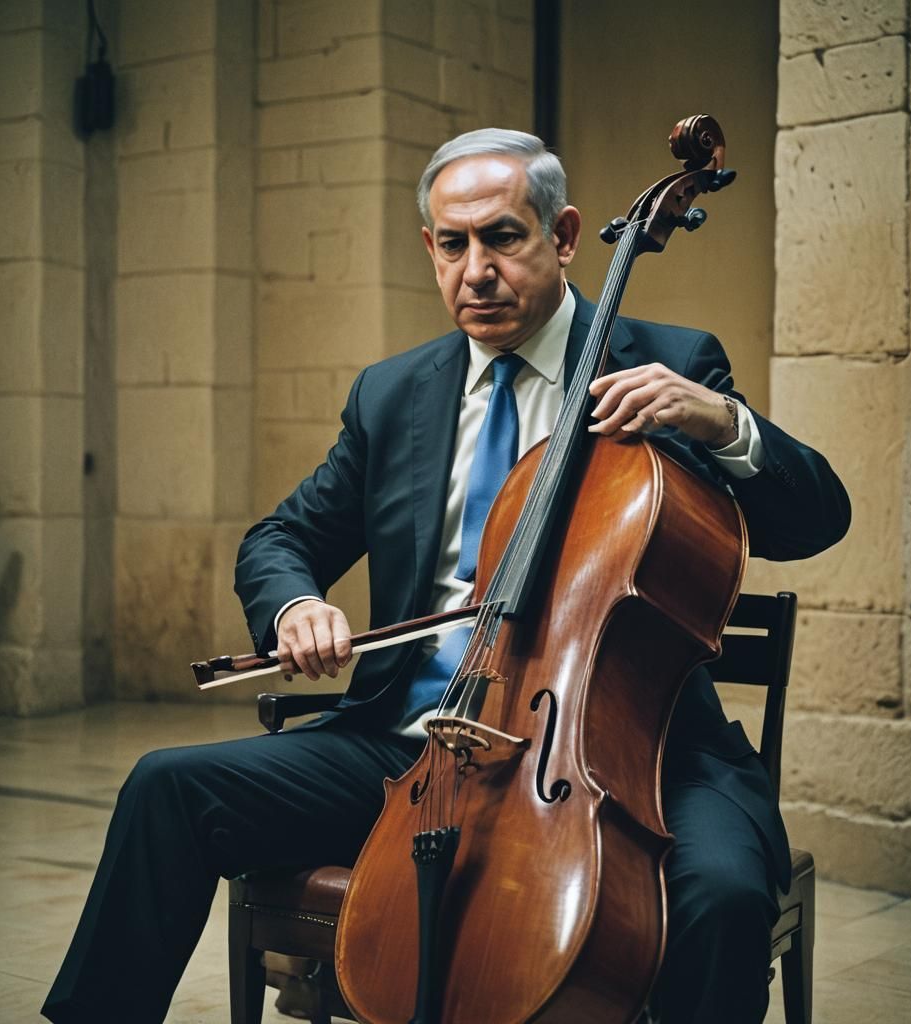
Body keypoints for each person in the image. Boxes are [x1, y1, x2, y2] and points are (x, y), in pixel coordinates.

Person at [43, 129, 850, 1024]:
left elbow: (817, 518)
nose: (477, 270)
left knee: (724, 897)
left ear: (566, 234)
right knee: (167, 788)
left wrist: (722, 422)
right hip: (413, 744)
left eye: (503, 237)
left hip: (635, 752)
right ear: (429, 247)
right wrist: (297, 602)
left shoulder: (666, 366)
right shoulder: (393, 396)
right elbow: (279, 539)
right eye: (453, 243)